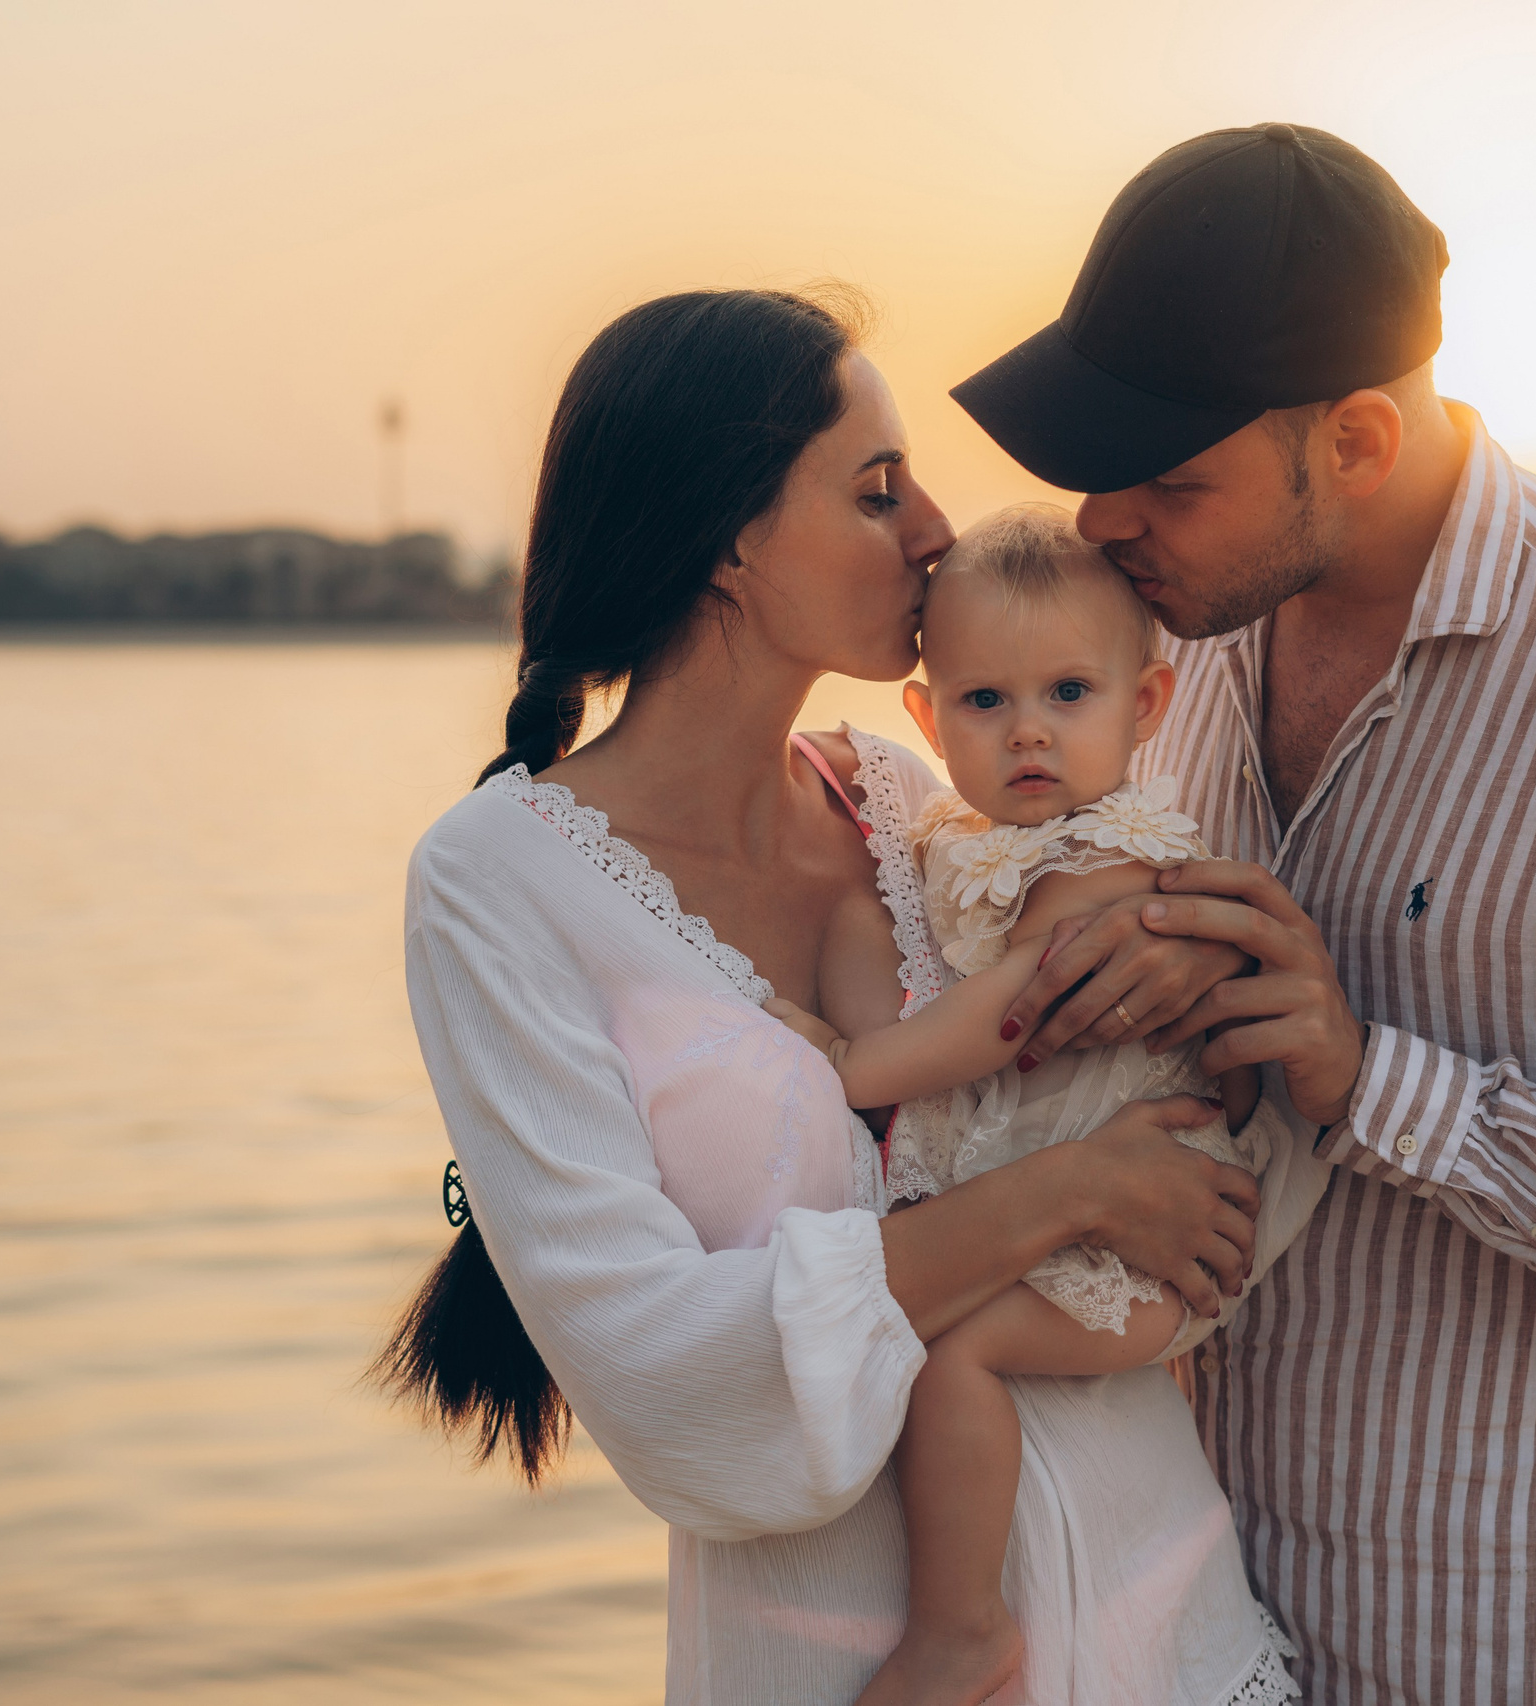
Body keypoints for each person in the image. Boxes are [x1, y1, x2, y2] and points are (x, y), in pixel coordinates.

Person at [952, 124, 1536, 1704]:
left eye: (1169, 479)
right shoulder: (1177, 639)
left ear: (1362, 444)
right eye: (1100, 468)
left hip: (1508, 1643)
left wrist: (1367, 1079)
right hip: (1180, 1623)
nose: (1108, 519)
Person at [377, 285, 1300, 1705]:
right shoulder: (496, 884)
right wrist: (1068, 1192)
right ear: (733, 540)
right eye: (879, 492)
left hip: (1165, 1619)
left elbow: (1061, 1005)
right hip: (842, 1663)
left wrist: (1166, 956)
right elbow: (669, 1382)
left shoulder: (897, 793)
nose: (934, 528)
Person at [764, 504, 1329, 1706]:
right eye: (984, 702)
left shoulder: (1105, 856)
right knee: (868, 914)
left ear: (1149, 706)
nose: (1029, 731)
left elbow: (1005, 1016)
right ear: (927, 717)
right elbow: (909, 948)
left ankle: (960, 1630)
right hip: (1061, 1202)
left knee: (949, 1354)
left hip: (1140, 1259)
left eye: (1069, 692)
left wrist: (850, 1068)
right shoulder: (964, 839)